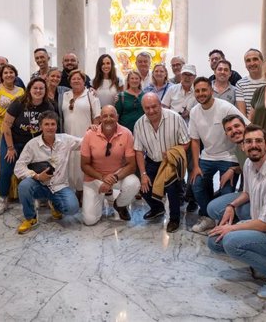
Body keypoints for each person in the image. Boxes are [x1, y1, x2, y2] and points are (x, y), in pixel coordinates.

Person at [207, 125, 266, 300]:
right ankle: (260, 260)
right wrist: (230, 206)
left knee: (230, 241)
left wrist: (232, 229)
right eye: (249, 141)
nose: (254, 145)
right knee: (214, 242)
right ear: (243, 147)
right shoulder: (248, 164)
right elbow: (248, 193)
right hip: (265, 226)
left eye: (259, 141)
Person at [189, 77, 249, 234]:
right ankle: (208, 217)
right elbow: (194, 141)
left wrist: (264, 141)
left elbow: (246, 125)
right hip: (207, 156)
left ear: (211, 90)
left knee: (226, 191)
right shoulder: (195, 112)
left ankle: (227, 223)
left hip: (229, 157)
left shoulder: (225, 108)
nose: (201, 93)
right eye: (198, 91)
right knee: (197, 185)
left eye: (204, 90)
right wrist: (195, 166)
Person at [0, 77, 54, 215]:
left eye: (41, 88)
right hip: (13, 141)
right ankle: (3, 200)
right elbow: (6, 125)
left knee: (41, 169)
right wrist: (10, 148)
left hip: (33, 145)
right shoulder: (19, 102)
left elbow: (49, 127)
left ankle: (41, 197)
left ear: (45, 91)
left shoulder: (47, 106)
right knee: (6, 170)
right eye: (35, 88)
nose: (38, 91)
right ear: (29, 89)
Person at [13, 111, 81, 234]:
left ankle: (55, 204)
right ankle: (30, 218)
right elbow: (18, 167)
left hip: (59, 186)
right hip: (39, 185)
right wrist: (37, 176)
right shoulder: (32, 145)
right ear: (40, 127)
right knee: (24, 186)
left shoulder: (66, 140)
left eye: (53, 124)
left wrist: (94, 130)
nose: (50, 127)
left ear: (57, 126)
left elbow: (84, 142)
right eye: (46, 124)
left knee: (72, 209)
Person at [134, 93, 190, 233]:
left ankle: (174, 219)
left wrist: (172, 153)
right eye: (147, 108)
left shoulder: (175, 118)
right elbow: (139, 151)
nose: (151, 111)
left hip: (171, 162)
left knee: (171, 189)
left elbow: (186, 142)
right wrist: (143, 174)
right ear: (143, 109)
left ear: (160, 105)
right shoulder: (139, 124)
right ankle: (157, 208)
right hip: (152, 160)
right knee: (143, 186)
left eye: (154, 106)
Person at [80, 106, 140, 225]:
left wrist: (111, 180)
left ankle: (120, 204)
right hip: (95, 178)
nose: (108, 119)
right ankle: (104, 197)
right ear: (100, 118)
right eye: (105, 116)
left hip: (117, 176)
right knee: (89, 220)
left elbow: (132, 165)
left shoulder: (126, 133)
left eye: (112, 115)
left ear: (117, 117)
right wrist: (102, 178)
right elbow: (84, 165)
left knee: (134, 183)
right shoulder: (89, 134)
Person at [161, 64, 198, 212]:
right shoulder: (172, 89)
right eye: (184, 75)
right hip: (174, 135)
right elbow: (163, 107)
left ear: (194, 77)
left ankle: (191, 197)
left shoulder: (198, 91)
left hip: (193, 135)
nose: (187, 77)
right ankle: (180, 194)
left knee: (192, 167)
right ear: (180, 76)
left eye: (190, 75)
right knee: (177, 167)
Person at [0, 64, 25, 201]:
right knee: (1, 162)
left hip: (17, 129)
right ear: (1, 75)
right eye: (6, 73)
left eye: (11, 72)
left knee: (16, 159)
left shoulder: (21, 91)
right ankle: (0, 192)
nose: (8, 75)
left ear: (15, 74)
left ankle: (16, 192)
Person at [63, 70, 101, 199]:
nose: (76, 81)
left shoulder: (90, 95)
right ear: (69, 81)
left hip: (85, 136)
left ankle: (82, 191)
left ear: (84, 80)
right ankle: (70, 190)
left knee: (82, 163)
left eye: (79, 78)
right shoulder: (64, 95)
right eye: (73, 78)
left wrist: (93, 131)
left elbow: (97, 116)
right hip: (67, 136)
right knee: (69, 163)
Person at [236, 48, 266, 118]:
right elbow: (242, 113)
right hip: (250, 126)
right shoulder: (240, 84)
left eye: (255, 59)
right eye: (248, 61)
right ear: (245, 65)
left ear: (262, 61)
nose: (252, 63)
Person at [45, 67, 70, 132]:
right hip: (44, 128)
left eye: (58, 77)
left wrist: (90, 90)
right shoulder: (41, 91)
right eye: (52, 76)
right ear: (47, 77)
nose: (55, 78)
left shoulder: (64, 90)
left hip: (60, 128)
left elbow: (78, 91)